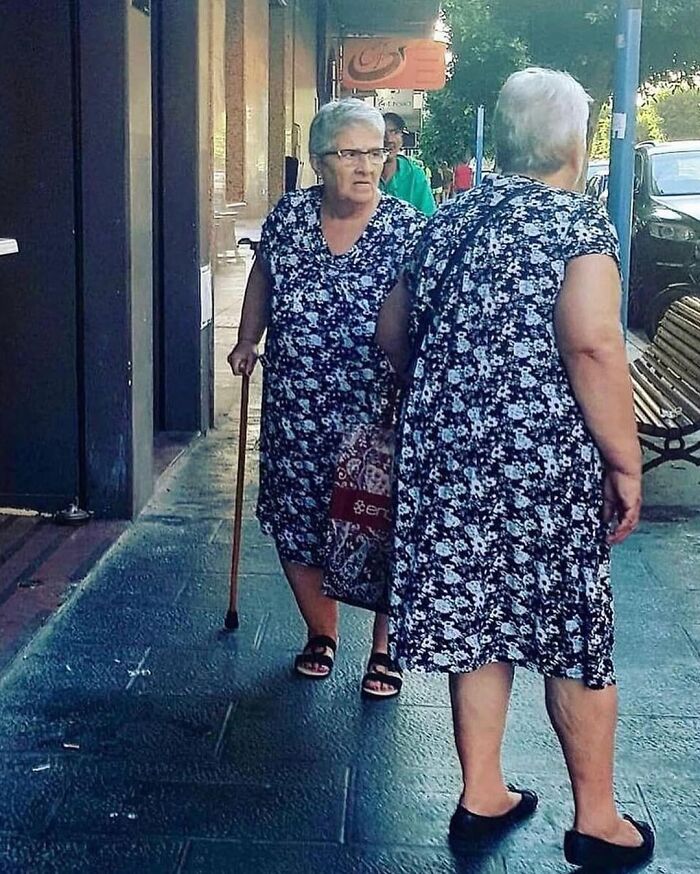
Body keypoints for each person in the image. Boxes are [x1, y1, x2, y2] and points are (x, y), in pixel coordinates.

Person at [377, 68, 655, 869]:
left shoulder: (450, 217)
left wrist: (450, 389)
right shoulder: (576, 223)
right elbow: (593, 346)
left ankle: (482, 794)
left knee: (475, 622)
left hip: (446, 462)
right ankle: (596, 820)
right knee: (571, 630)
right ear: (575, 142)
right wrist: (625, 461)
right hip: (541, 470)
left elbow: (391, 331)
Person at [228, 99, 425, 699]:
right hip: (298, 404)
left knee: (383, 525)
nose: (366, 166)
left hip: (378, 409)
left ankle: (385, 650)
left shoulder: (408, 229)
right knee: (298, 519)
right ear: (319, 161)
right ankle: (322, 633)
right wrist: (247, 338)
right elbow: (264, 276)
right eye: (349, 153)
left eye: (376, 152)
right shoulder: (290, 218)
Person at [380, 112, 437, 216]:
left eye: (395, 132)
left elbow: (429, 217)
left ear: (402, 138)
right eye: (382, 133)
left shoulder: (414, 174)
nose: (389, 139)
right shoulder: (362, 173)